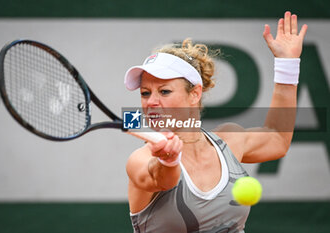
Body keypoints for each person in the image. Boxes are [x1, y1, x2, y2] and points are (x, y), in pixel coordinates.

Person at [123, 11, 307, 233]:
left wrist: (287, 66)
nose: (151, 102)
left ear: (195, 94)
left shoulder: (229, 140)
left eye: (164, 91)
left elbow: (277, 138)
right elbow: (162, 179)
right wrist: (168, 160)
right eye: (144, 93)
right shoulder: (140, 160)